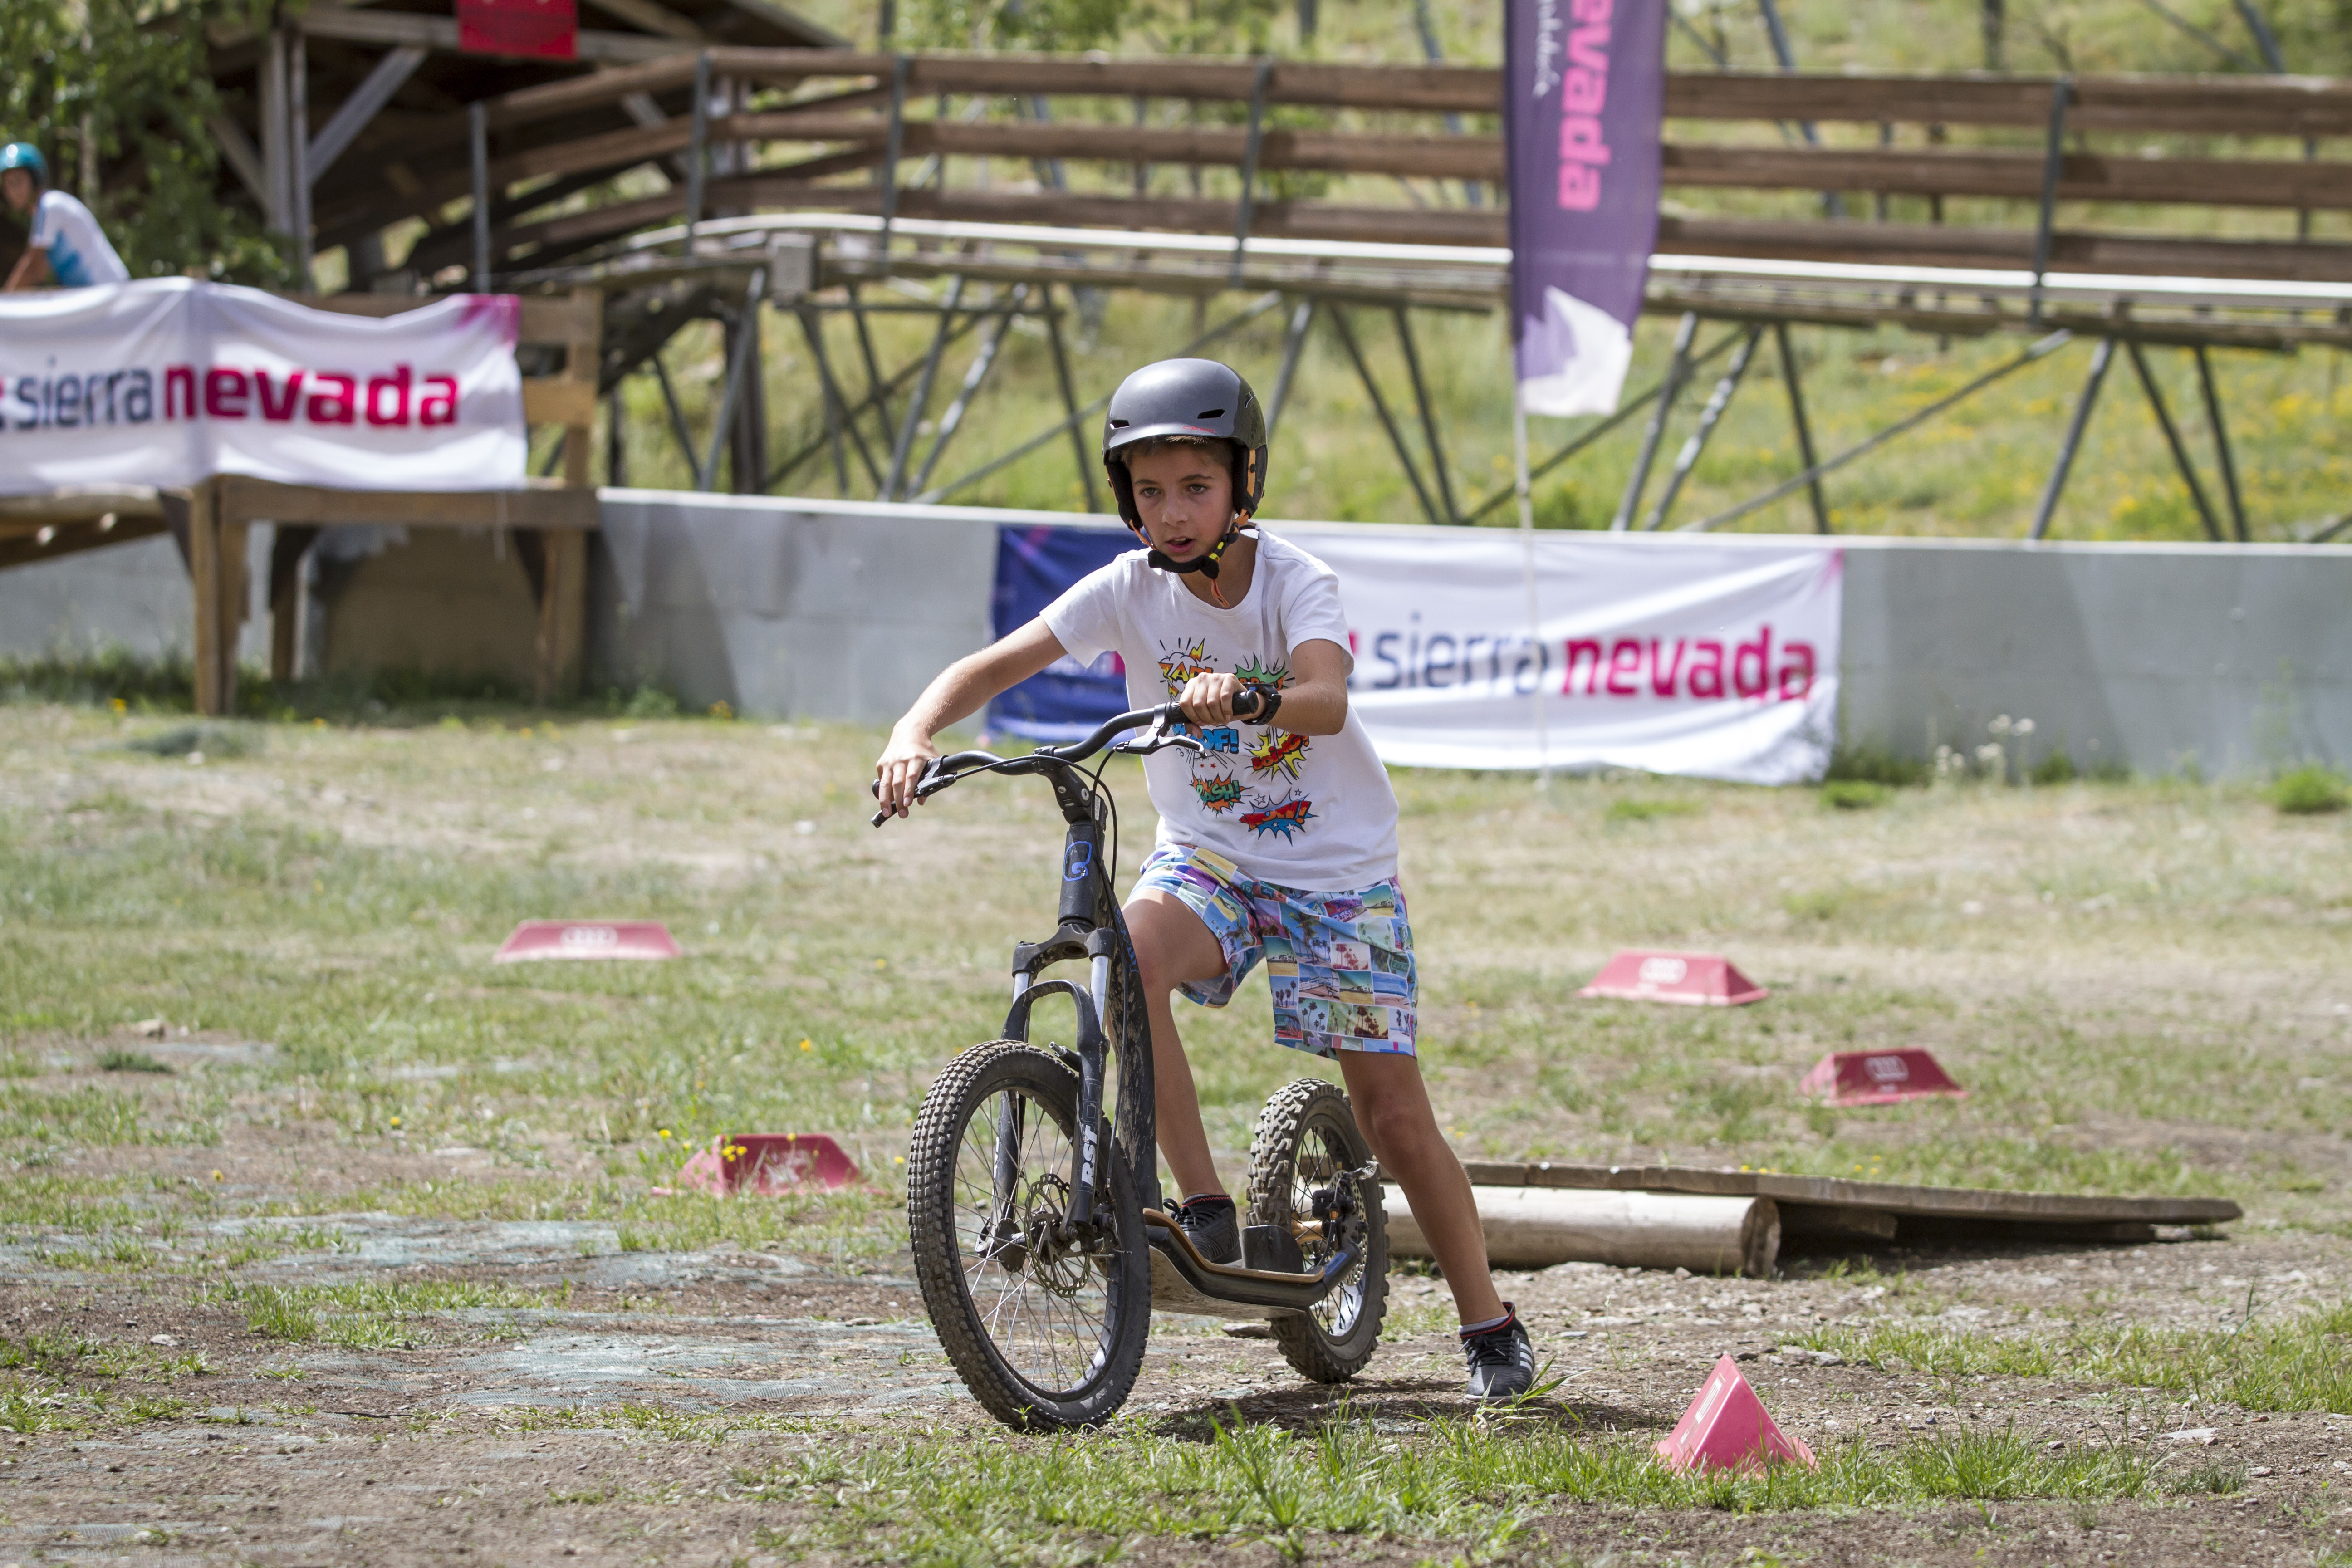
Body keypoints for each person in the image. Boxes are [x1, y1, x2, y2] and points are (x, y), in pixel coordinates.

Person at [875, 358, 1539, 1402]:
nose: (1172, 512)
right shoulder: (1125, 592)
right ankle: (1204, 1205)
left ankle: (1487, 1323)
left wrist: (1253, 696)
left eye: (1195, 485)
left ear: (1242, 484)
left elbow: (1323, 696)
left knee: (1394, 1115)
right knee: (1122, 961)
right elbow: (992, 665)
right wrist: (916, 729)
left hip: (1336, 870)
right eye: (1148, 490)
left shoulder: (1292, 580)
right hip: (1211, 855)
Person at [2, 142, 129, 291]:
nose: (13, 191)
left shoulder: (50, 206)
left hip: (108, 294)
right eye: (8, 184)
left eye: (18, 181)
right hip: (94, 295)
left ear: (35, 178)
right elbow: (42, 270)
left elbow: (33, 268)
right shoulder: (42, 213)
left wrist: (5, 303)